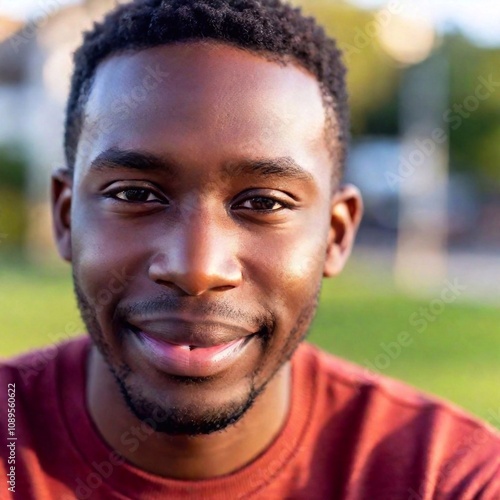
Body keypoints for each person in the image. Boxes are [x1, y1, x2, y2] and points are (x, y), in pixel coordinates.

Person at [1, 0, 499, 498]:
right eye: (135, 194)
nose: (196, 268)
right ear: (66, 217)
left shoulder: (450, 478)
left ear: (336, 234)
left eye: (264, 202)